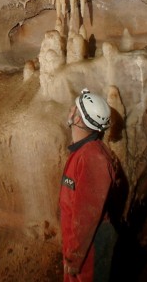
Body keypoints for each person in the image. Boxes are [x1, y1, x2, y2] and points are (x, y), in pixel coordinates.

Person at [59, 88, 118, 282]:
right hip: (80, 245)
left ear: (78, 119)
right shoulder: (83, 152)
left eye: (73, 109)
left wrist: (74, 257)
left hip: (90, 247)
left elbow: (86, 217)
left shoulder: (93, 158)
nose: (70, 110)